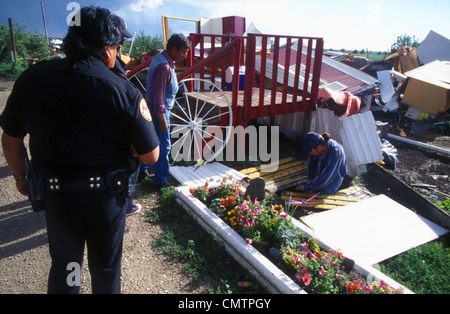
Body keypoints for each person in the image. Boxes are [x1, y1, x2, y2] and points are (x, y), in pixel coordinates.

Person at [0, 6, 160, 294]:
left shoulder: (32, 79)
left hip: (57, 199)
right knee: (106, 270)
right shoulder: (121, 89)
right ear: (107, 47)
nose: (118, 52)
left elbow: (11, 139)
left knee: (66, 268)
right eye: (118, 45)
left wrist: (21, 177)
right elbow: (151, 156)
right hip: (104, 201)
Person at [140, 33, 190, 187]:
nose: (185, 55)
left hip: (152, 108)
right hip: (159, 111)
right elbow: (158, 95)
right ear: (174, 49)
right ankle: (160, 180)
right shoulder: (164, 67)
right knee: (164, 145)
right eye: (183, 51)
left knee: (151, 141)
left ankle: (142, 170)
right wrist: (162, 118)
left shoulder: (161, 59)